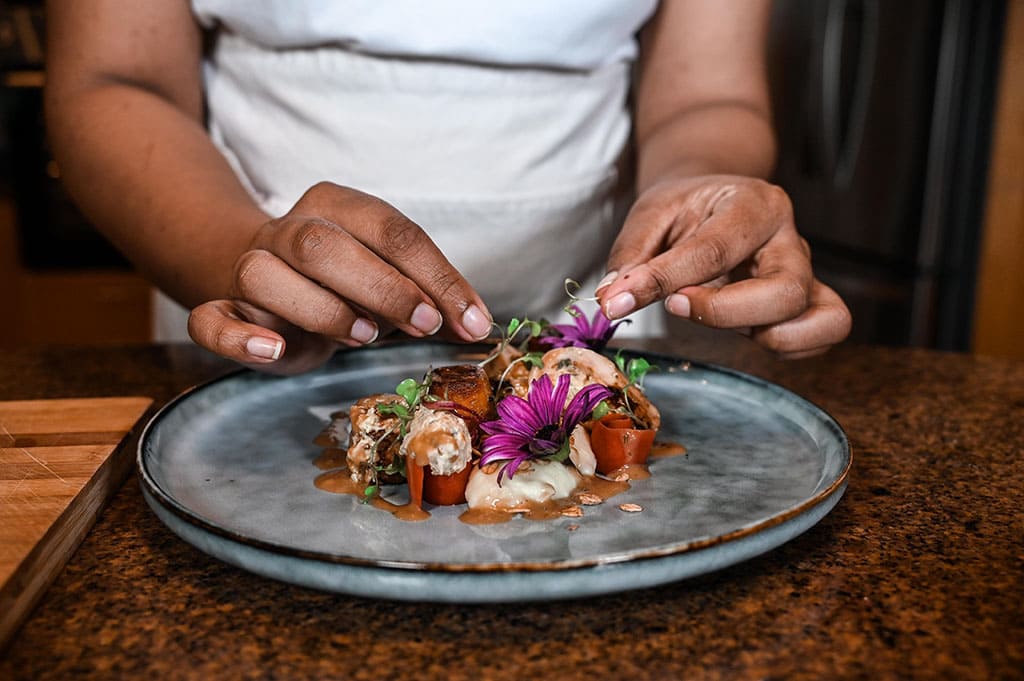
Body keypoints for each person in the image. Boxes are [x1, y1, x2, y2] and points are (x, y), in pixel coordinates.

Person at [44, 1, 851, 375]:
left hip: (585, 326)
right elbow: (115, 80)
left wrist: (699, 189)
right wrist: (234, 254)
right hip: (252, 316)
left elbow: (708, 93)